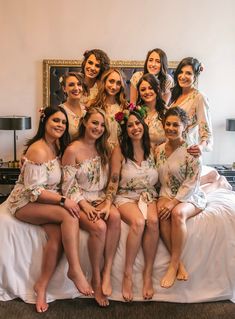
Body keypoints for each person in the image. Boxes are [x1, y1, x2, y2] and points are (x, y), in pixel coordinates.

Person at [6, 106, 93, 312]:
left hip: (45, 200)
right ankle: (75, 270)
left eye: (63, 122)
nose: (60, 125)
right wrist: (64, 200)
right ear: (44, 122)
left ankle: (41, 286)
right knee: (69, 215)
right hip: (26, 202)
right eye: (55, 121)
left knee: (57, 238)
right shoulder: (37, 149)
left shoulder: (57, 146)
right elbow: (34, 191)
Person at [62, 107, 120, 307]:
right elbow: (67, 186)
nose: (98, 128)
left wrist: (107, 201)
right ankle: (95, 276)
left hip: (102, 197)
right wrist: (84, 205)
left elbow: (113, 179)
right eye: (95, 123)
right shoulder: (72, 150)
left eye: (103, 125)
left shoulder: (106, 149)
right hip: (81, 198)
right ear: (85, 122)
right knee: (99, 227)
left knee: (115, 217)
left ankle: (107, 272)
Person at [105, 105, 159, 301]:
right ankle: (127, 273)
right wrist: (108, 201)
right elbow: (113, 179)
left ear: (143, 124)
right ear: (125, 130)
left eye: (137, 123)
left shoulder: (153, 149)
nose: (135, 127)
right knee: (138, 223)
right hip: (125, 195)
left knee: (153, 222)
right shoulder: (120, 151)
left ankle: (147, 274)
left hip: (149, 195)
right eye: (130, 125)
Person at [155, 106, 207, 289]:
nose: (170, 128)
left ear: (184, 127)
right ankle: (180, 264)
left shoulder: (192, 151)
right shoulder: (159, 150)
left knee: (177, 214)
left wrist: (174, 203)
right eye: (167, 124)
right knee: (161, 214)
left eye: (175, 125)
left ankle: (173, 264)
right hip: (166, 192)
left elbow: (191, 183)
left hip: (190, 196)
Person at [169, 57, 231, 190]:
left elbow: (206, 130)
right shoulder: (175, 97)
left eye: (189, 73)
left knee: (183, 192)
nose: (183, 76)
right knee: (172, 186)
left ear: (195, 76)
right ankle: (208, 177)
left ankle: (219, 183)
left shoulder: (199, 97)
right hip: (173, 149)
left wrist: (201, 147)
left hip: (189, 150)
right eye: (181, 72)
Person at [90, 68, 128, 147]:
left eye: (118, 83)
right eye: (111, 81)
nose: (114, 87)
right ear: (104, 81)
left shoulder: (124, 107)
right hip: (98, 148)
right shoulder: (93, 104)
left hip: (119, 150)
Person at [136, 73, 167, 149]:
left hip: (161, 156)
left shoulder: (166, 113)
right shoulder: (135, 113)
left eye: (150, 88)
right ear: (139, 93)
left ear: (157, 89)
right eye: (143, 90)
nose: (147, 92)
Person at [60, 72, 87, 141]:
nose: (76, 88)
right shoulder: (60, 111)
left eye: (79, 84)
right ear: (64, 89)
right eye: (71, 85)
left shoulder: (87, 110)